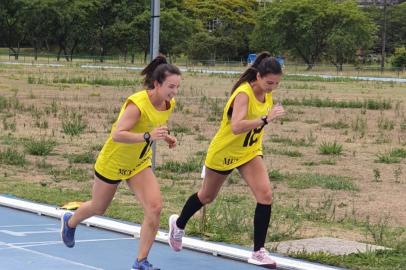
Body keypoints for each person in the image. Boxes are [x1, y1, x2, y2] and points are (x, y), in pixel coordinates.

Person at [61, 55, 181, 270]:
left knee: (155, 208)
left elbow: (155, 125)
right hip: (113, 161)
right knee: (98, 207)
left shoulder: (167, 103)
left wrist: (165, 136)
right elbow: (118, 134)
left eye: (177, 87)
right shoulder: (137, 104)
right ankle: (70, 221)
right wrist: (147, 136)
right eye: (171, 86)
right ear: (157, 83)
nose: (174, 92)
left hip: (138, 163)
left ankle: (140, 261)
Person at [168, 52, 285, 269]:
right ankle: (178, 224)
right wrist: (265, 119)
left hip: (248, 152)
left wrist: (264, 119)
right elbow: (237, 126)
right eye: (269, 82)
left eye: (277, 84)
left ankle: (258, 251)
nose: (272, 87)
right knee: (207, 196)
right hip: (224, 152)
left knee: (265, 195)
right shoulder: (243, 94)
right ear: (258, 76)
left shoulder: (267, 94)